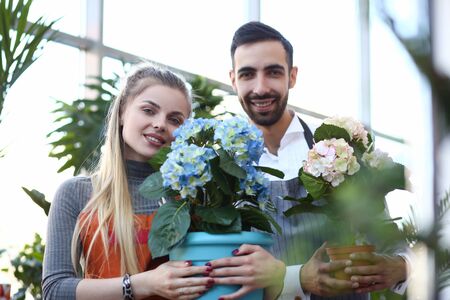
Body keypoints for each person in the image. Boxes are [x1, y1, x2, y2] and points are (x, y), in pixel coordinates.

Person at [208, 21, 411, 300]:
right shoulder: (219, 168)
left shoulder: (339, 151)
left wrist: (402, 267)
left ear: (292, 76)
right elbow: (218, 273)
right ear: (233, 80)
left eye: (273, 72)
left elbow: (391, 246)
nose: (260, 87)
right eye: (247, 74)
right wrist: (297, 278)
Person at [42, 64, 215, 300]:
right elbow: (55, 290)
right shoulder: (76, 193)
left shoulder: (194, 197)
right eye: (148, 110)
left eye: (175, 119)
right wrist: (143, 284)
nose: (160, 124)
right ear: (123, 110)